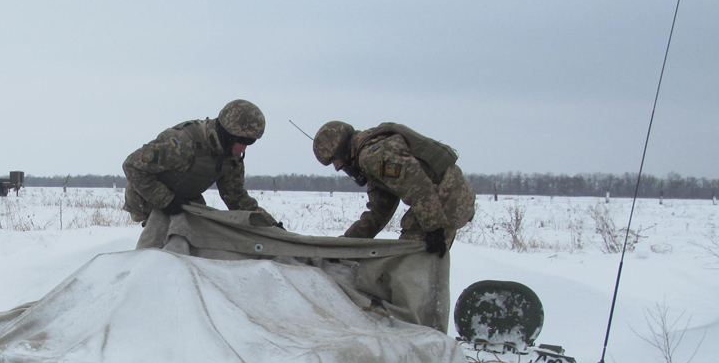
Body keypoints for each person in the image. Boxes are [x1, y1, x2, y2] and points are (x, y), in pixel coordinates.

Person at [312, 121, 475, 255]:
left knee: (410, 263)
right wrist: (343, 246)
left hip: (444, 200)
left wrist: (434, 229)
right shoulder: (369, 157)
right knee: (414, 263)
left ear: (341, 150)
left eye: (335, 160)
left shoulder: (373, 155)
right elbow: (378, 213)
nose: (337, 168)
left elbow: (417, 186)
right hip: (445, 199)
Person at [123, 99, 277, 226]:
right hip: (147, 201)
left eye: (250, 143)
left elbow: (235, 197)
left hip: (184, 200)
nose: (243, 149)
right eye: (243, 142)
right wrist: (166, 201)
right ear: (228, 135)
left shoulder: (231, 156)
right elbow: (132, 166)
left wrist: (268, 224)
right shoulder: (183, 144)